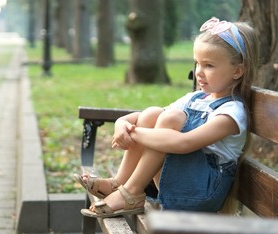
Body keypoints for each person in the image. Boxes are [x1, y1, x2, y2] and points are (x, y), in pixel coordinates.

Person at [74, 17, 259, 218]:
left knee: (170, 119)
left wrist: (133, 133)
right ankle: (120, 184)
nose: (199, 72)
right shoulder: (197, 98)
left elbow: (184, 143)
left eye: (209, 65)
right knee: (154, 113)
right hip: (179, 180)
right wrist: (122, 123)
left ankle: (131, 192)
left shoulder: (231, 113)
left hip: (199, 192)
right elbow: (144, 117)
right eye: (197, 63)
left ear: (237, 71)